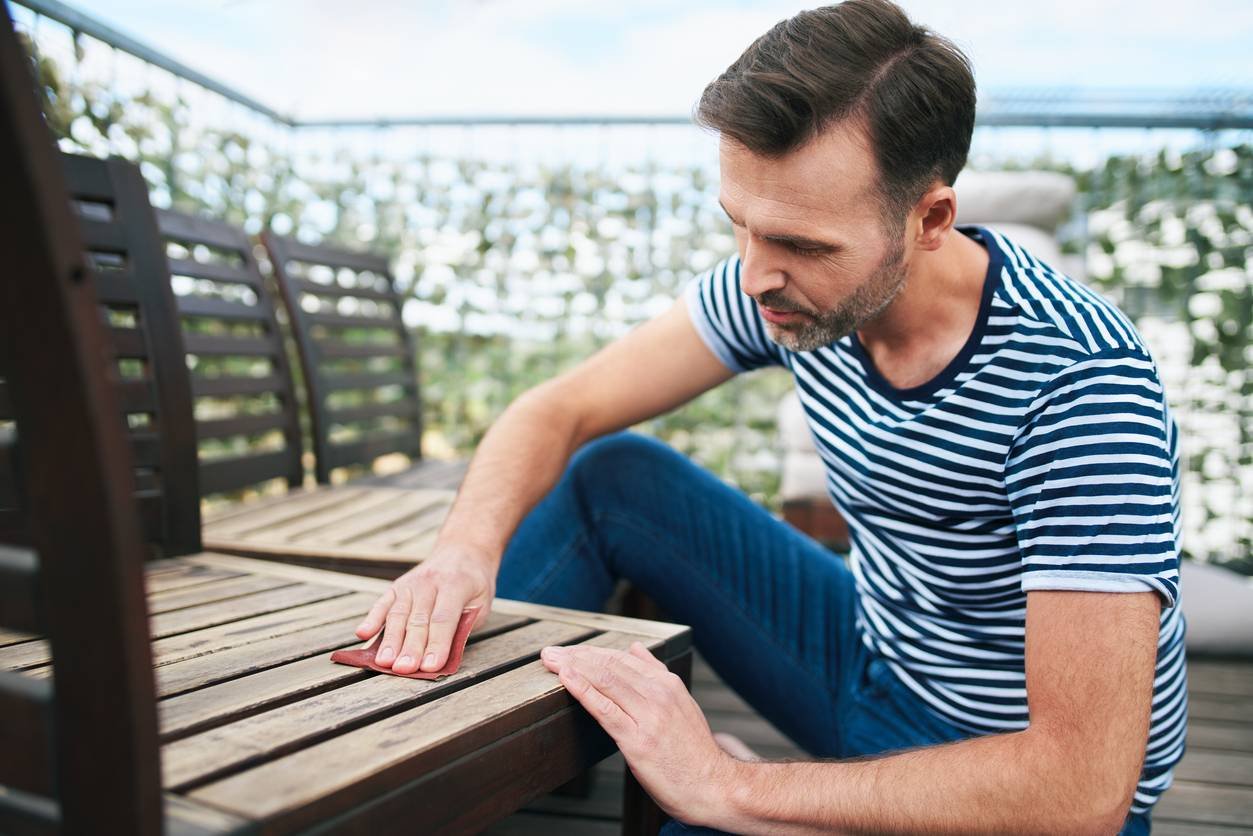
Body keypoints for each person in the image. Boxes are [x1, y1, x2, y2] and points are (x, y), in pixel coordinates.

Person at [353, 1, 1185, 832]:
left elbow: (1078, 789)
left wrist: (728, 786)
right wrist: (461, 555)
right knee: (614, 475)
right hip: (871, 655)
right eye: (739, 227)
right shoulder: (783, 288)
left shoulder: (1077, 384)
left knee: (695, 824)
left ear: (928, 219)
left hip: (1007, 781)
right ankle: (412, 761)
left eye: (803, 244)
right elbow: (559, 407)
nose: (755, 275)